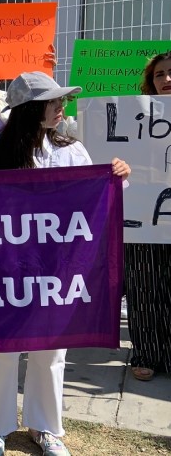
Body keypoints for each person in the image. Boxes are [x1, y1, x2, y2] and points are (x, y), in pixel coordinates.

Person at [0, 71, 131, 456]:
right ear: (31, 109)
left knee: (52, 350)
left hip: (57, 267)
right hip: (3, 268)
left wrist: (118, 176)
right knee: (2, 347)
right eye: (53, 101)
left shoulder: (71, 149)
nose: (61, 107)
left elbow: (98, 194)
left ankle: (45, 427)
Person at [124, 50, 171, 381]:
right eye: (159, 74)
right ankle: (145, 354)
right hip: (143, 216)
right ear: (150, 82)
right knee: (144, 285)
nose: (166, 78)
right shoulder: (133, 117)